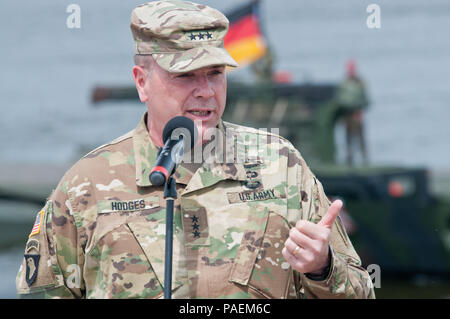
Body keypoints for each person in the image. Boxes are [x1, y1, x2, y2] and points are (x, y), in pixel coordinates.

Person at [16, 0, 375, 299]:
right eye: (185, 75)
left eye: (216, 73)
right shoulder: (86, 185)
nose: (205, 90)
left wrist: (322, 268)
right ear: (142, 82)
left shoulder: (280, 165)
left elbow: (363, 292)